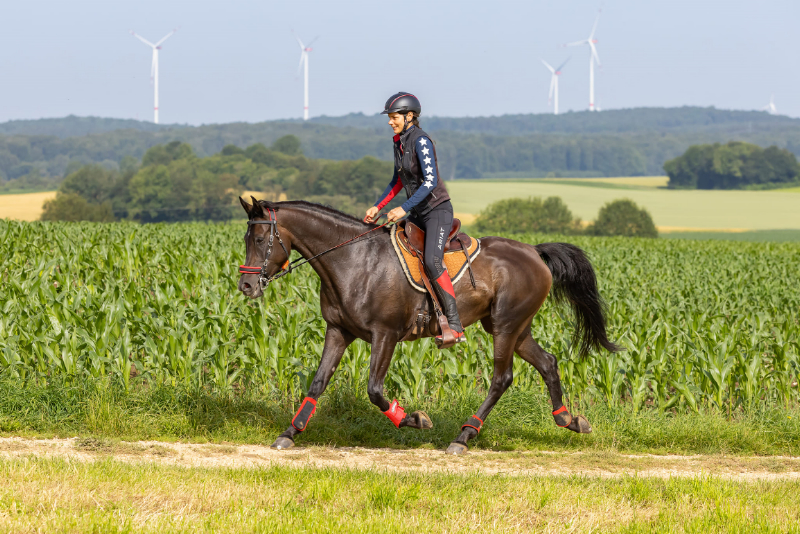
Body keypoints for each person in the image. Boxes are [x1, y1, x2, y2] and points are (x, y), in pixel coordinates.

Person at [364, 92, 465, 344]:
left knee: (432, 261)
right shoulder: (399, 142)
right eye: (389, 117)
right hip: (418, 213)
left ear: (409, 116)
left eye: (394, 117)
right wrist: (377, 206)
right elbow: (397, 181)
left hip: (437, 211)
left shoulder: (421, 141)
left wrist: (403, 208)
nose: (390, 122)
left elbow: (430, 182)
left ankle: (455, 325)